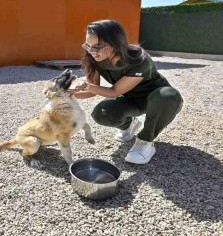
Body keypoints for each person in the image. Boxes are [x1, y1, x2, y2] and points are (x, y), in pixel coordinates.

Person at [67, 19, 183, 164]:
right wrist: (69, 92)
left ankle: (145, 141)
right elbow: (92, 90)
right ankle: (129, 125)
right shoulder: (94, 58)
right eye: (88, 46)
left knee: (168, 96)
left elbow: (114, 91)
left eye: (96, 47)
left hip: (160, 100)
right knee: (102, 113)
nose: (91, 52)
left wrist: (87, 86)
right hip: (131, 100)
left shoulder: (138, 59)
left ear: (115, 43)